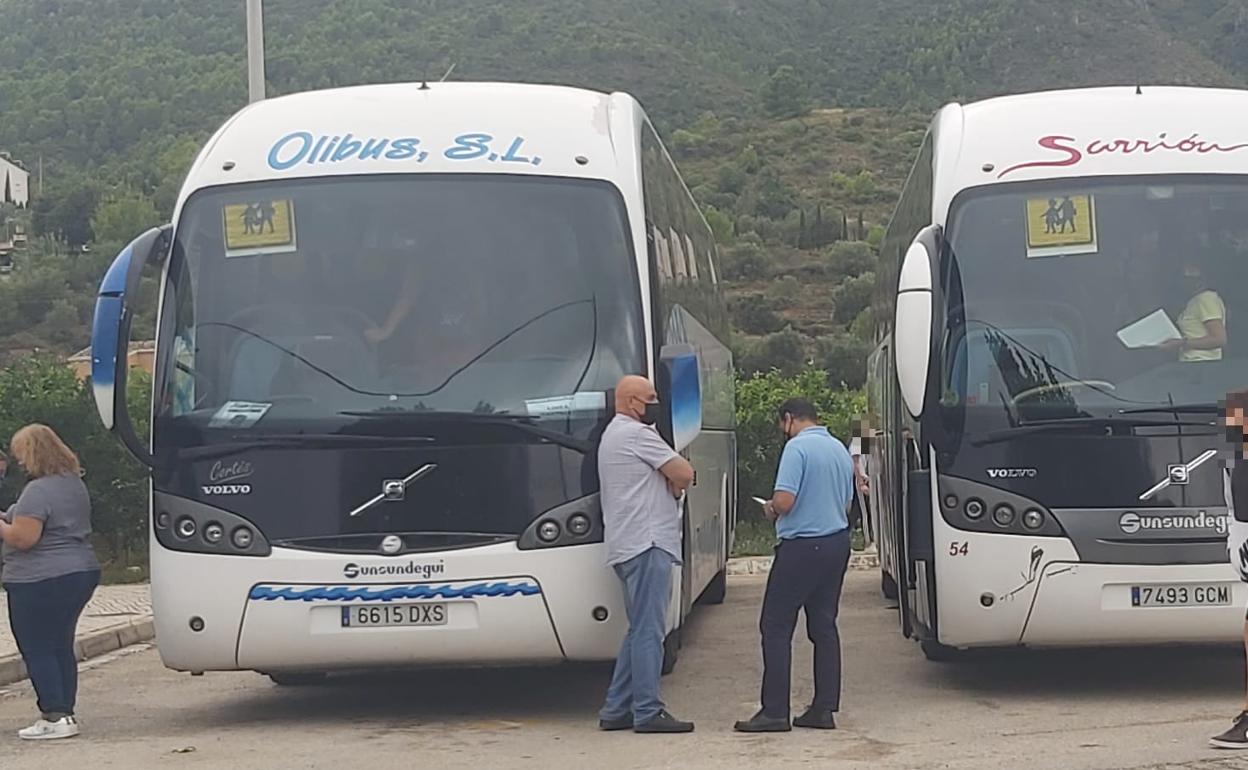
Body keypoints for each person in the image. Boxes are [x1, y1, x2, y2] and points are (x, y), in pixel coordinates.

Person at [735, 398, 854, 733]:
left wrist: (771, 507)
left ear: (788, 419)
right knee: (824, 626)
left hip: (802, 547)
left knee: (775, 625)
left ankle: (774, 711)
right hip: (836, 543)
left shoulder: (797, 449)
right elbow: (845, 504)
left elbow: (785, 501)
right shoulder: (838, 450)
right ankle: (823, 708)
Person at [596, 375, 696, 734]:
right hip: (648, 542)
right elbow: (685, 472)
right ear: (632, 402)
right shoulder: (638, 435)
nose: (656, 403)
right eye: (651, 398)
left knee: (638, 629)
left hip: (626, 544)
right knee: (651, 631)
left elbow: (674, 477)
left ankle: (616, 708)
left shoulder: (611, 436)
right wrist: (673, 478)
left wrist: (669, 477)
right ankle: (648, 710)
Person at [0, 425, 100, 741]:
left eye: (20, 456)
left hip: (40, 577)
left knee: (37, 645)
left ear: (32, 454)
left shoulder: (38, 490)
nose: (18, 463)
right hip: (78, 570)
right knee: (59, 644)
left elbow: (24, 537)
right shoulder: (72, 484)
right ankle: (64, 712)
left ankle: (54, 714)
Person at [1161, 258, 1227, 362]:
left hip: (1203, 364)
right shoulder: (1192, 301)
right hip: (1190, 363)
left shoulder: (1206, 298)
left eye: (1191, 276)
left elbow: (1219, 339)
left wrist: (1182, 343)